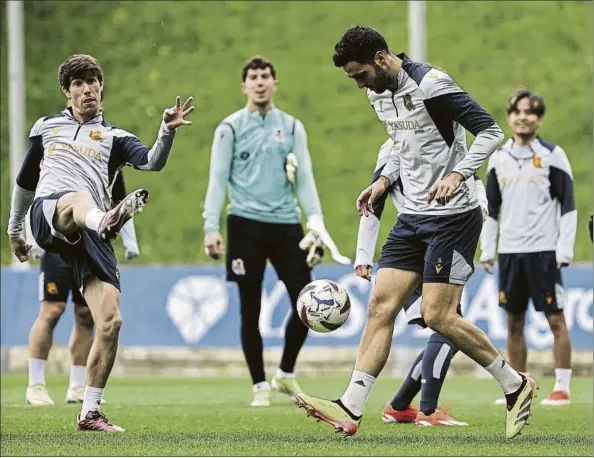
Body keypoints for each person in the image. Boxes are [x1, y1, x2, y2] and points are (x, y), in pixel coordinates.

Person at [295, 25, 536, 439]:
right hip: (412, 217)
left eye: (360, 75)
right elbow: (399, 146)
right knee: (379, 307)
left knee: (437, 315)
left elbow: (492, 131)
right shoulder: (377, 94)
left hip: (454, 217)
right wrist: (383, 180)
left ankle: (515, 384)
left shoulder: (433, 86)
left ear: (382, 59)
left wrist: (460, 173)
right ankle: (351, 407)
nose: (358, 85)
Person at [7, 54, 193, 431]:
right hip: (51, 213)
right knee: (78, 200)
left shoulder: (116, 138)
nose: (87, 88)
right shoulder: (46, 127)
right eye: (78, 82)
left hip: (90, 233)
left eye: (92, 81)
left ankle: (89, 411)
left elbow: (152, 163)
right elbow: (26, 183)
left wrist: (167, 131)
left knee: (110, 322)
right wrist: (15, 230)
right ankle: (106, 219)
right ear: (67, 91)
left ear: (101, 87)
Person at [202, 56, 350, 407]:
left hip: (286, 225)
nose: (260, 82)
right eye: (253, 77)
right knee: (249, 308)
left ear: (274, 83)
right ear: (244, 86)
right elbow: (217, 179)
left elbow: (307, 178)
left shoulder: (293, 127)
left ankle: (284, 373)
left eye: (266, 76)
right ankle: (258, 386)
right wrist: (211, 226)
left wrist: (315, 222)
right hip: (244, 225)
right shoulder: (230, 128)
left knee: (307, 302)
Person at [355, 136, 488, 426]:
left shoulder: (440, 137)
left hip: (448, 236)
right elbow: (373, 200)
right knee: (447, 325)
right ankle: (427, 411)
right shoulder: (393, 147)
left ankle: (401, 406)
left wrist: (481, 204)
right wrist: (363, 255)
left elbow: (471, 175)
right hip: (415, 246)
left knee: (447, 325)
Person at [479, 90, 577, 406]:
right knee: (513, 321)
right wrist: (487, 249)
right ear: (509, 117)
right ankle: (518, 387)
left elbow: (569, 206)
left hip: (544, 251)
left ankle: (561, 387)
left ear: (540, 119)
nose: (523, 117)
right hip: (509, 253)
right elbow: (491, 209)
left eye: (530, 112)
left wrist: (564, 249)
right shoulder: (498, 158)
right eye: (517, 111)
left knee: (555, 319)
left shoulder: (553, 155)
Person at [25, 172, 140, 406]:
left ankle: (77, 386)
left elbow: (122, 204)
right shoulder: (60, 153)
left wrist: (131, 241)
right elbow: (35, 194)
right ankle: (35, 385)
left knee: (86, 315)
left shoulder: (110, 157)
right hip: (59, 242)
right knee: (52, 310)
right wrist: (31, 237)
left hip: (92, 247)